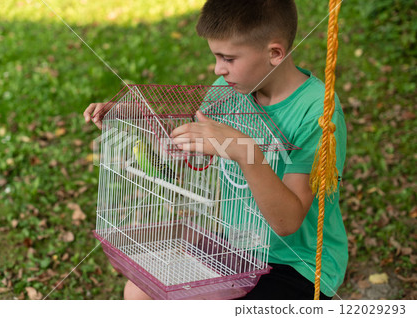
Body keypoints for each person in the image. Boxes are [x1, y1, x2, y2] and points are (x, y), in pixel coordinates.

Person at [84, 0, 347, 300]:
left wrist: (244, 150)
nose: (218, 69)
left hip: (296, 264)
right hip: (237, 245)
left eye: (228, 58)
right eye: (216, 56)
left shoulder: (317, 111)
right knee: (138, 293)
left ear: (274, 53)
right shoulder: (227, 90)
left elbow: (288, 223)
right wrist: (137, 115)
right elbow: (192, 140)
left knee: (202, 303)